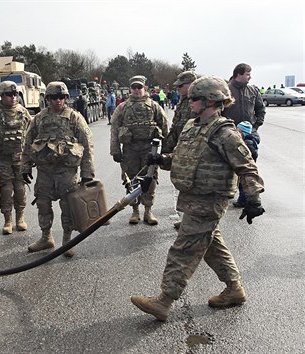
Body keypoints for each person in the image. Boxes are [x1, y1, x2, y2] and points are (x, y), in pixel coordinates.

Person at [130, 76, 265, 321]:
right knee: (212, 246)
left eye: (195, 98)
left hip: (209, 200)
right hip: (192, 196)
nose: (189, 101)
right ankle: (234, 290)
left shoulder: (225, 133)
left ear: (211, 101)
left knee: (184, 249)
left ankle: (164, 300)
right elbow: (183, 158)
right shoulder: (193, 126)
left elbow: (247, 167)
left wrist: (253, 198)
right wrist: (162, 160)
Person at [21, 81, 95, 258]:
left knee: (67, 206)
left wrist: (87, 174)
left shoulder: (75, 118)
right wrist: (25, 167)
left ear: (66, 98)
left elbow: (87, 145)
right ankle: (46, 237)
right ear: (47, 99)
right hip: (45, 172)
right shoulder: (38, 119)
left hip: (66, 172)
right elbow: (27, 143)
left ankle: (67, 240)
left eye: (61, 97)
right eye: (54, 97)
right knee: (43, 204)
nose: (58, 101)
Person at [110, 75, 168, 225]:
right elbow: (115, 130)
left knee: (150, 179)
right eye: (134, 87)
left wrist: (166, 150)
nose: (136, 90)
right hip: (130, 149)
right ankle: (135, 211)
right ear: (130, 89)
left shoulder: (154, 106)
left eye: (139, 87)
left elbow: (165, 127)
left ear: (145, 88)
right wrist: (115, 150)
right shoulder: (122, 108)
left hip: (150, 149)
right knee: (131, 179)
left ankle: (148, 210)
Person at [0, 81, 32, 234]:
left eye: (15, 94)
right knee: (6, 189)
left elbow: (31, 133)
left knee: (20, 188)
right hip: (2, 158)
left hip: (20, 157)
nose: (13, 97)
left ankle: (20, 218)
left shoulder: (22, 112)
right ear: (1, 95)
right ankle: (7, 220)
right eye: (9, 94)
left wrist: (31, 156)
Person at [162, 71, 197, 230]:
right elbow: (176, 127)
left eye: (180, 86)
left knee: (191, 187)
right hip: (181, 147)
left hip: (192, 149)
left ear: (190, 85)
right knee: (182, 185)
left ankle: (191, 220)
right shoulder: (183, 101)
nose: (178, 89)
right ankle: (186, 218)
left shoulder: (197, 102)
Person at [222, 63, 265, 131]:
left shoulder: (253, 91)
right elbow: (217, 111)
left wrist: (255, 126)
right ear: (239, 75)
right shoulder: (225, 90)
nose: (250, 77)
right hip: (229, 133)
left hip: (249, 132)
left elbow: (261, 109)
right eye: (247, 74)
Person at [233, 121, 260, 207]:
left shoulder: (248, 143)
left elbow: (251, 155)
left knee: (243, 185)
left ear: (242, 132)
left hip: (246, 166)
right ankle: (243, 200)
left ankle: (243, 201)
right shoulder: (249, 141)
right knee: (242, 184)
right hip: (246, 166)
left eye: (238, 130)